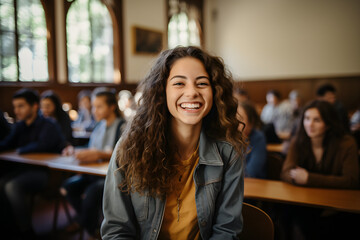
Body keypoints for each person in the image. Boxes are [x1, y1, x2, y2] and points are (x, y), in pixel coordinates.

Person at [101, 46, 247, 239]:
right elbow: (116, 230)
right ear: (162, 91)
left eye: (202, 83)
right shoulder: (129, 148)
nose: (192, 92)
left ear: (215, 92)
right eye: (179, 83)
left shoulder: (229, 152)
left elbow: (227, 231)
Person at [280, 100, 359, 239]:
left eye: (317, 120)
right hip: (306, 203)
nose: (310, 124)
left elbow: (351, 181)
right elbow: (286, 172)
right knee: (287, 212)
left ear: (328, 123)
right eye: (307, 118)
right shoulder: (298, 140)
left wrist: (309, 178)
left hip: (337, 205)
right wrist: (295, 176)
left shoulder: (347, 143)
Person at [0, 88, 66, 239]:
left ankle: (26, 231)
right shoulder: (20, 126)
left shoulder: (49, 124)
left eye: (21, 106)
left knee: (12, 186)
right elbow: (7, 143)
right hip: (24, 171)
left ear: (35, 106)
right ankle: (11, 228)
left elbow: (43, 145)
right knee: (2, 183)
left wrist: (19, 149)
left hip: (47, 175)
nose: (16, 111)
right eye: (15, 106)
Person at [61, 88, 125, 238]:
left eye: (99, 106)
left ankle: (86, 226)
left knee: (92, 192)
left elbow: (125, 154)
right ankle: (90, 224)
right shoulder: (99, 126)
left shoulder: (123, 126)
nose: (94, 110)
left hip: (113, 177)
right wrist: (73, 149)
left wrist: (99, 154)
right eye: (93, 106)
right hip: (93, 173)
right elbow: (91, 148)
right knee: (69, 187)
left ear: (112, 107)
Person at [237, 101, 267, 178]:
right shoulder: (228, 138)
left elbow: (252, 172)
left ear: (251, 122)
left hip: (254, 185)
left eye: (240, 119)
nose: (236, 123)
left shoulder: (258, 138)